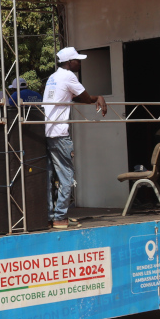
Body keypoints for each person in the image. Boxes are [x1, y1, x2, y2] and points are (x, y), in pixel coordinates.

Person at [43, 46, 108, 229]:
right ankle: (60, 216)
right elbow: (86, 97)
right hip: (60, 134)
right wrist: (98, 97)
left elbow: (75, 98)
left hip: (48, 132)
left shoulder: (53, 77)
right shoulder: (69, 76)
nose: (79, 63)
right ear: (70, 62)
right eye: (77, 60)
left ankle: (50, 216)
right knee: (67, 176)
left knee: (49, 176)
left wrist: (93, 98)